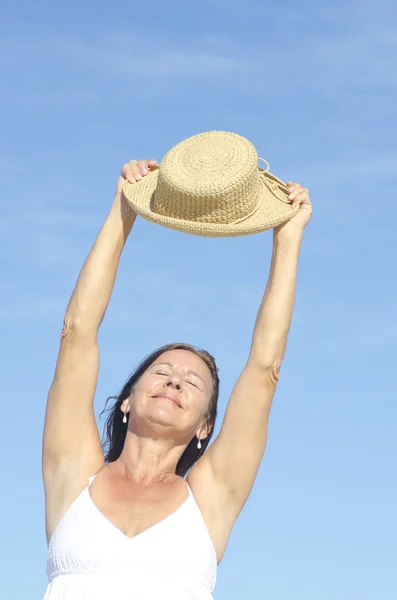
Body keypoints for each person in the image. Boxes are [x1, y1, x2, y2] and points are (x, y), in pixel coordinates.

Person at [42, 153, 312, 599]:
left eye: (192, 382)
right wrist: (123, 211)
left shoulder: (210, 497)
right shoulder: (74, 475)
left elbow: (266, 368)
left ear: (206, 425)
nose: (174, 382)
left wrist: (287, 237)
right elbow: (76, 333)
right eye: (162, 372)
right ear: (127, 399)